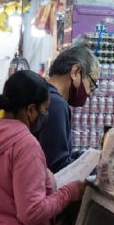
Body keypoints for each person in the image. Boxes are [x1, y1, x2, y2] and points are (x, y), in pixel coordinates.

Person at [0, 70, 85, 225]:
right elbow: (31, 213)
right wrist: (70, 192)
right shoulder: (25, 145)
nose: (45, 115)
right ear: (31, 110)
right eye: (44, 109)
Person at [37, 45, 100, 173]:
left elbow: (58, 154)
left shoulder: (43, 94)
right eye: (91, 85)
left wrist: (93, 158)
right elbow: (58, 166)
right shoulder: (56, 104)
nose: (89, 93)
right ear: (75, 72)